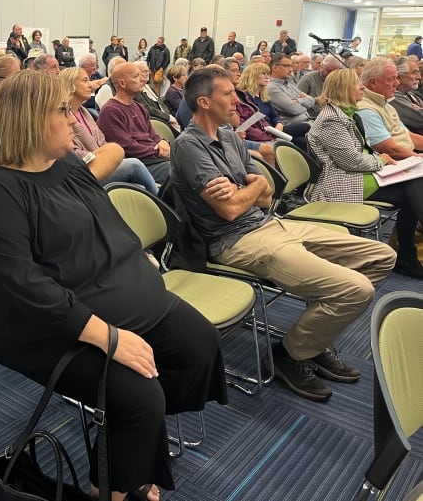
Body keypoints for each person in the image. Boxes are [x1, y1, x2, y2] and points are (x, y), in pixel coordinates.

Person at [0, 69, 227, 500]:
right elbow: (21, 286)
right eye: (63, 110)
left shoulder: (63, 164)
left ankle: (131, 443)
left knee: (200, 345)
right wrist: (108, 337)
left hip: (122, 301)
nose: (74, 117)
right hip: (44, 329)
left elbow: (106, 221)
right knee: (139, 398)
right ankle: (114, 484)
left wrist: (138, 259)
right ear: (30, 120)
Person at [170, 66, 396, 402]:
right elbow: (229, 210)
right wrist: (252, 187)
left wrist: (252, 186)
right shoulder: (189, 146)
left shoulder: (229, 135)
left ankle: (313, 337)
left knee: (381, 256)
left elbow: (266, 194)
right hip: (236, 241)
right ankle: (290, 355)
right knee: (356, 290)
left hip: (271, 223)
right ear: (204, 101)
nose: (237, 99)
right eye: (228, 93)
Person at [308, 68, 423, 279]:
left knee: (415, 185)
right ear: (343, 89)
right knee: (414, 189)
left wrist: (382, 161)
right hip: (342, 181)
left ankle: (407, 256)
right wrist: (381, 160)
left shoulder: (344, 114)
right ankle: (407, 257)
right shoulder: (331, 120)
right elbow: (351, 161)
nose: (361, 87)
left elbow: (359, 154)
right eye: (356, 84)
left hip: (359, 175)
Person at [60, 67, 158, 194]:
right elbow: (73, 154)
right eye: (85, 81)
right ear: (70, 85)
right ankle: (164, 205)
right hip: (86, 171)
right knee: (134, 165)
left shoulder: (84, 112)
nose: (90, 85)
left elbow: (102, 140)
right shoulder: (64, 117)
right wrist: (105, 157)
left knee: (140, 187)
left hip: (103, 161)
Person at [97, 62, 171, 184]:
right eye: (136, 76)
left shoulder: (140, 107)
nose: (142, 79)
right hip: (141, 162)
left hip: (153, 158)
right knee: (180, 171)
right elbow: (126, 147)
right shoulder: (110, 110)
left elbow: (152, 135)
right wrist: (157, 152)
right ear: (122, 83)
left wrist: (163, 142)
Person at [356, 57, 423, 160]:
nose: (397, 83)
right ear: (373, 82)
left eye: (396, 78)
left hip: (407, 160)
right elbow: (389, 149)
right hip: (394, 166)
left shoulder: (385, 104)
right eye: (391, 79)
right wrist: (418, 158)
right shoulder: (365, 110)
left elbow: (408, 136)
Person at [238, 62, 309, 149]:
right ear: (253, 76)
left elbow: (275, 115)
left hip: (275, 129)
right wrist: (274, 131)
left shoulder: (263, 96)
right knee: (304, 129)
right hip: (264, 132)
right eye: (263, 74)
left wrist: (279, 124)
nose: (267, 77)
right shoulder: (247, 97)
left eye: (268, 74)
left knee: (303, 139)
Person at [390, 57, 423, 135]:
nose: (419, 77)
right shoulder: (393, 97)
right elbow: (420, 118)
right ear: (399, 75)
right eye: (414, 73)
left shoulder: (411, 94)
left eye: (419, 73)